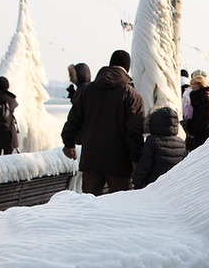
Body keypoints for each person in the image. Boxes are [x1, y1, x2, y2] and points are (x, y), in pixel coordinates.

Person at [60, 49, 145, 195]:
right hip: (119, 162)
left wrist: (68, 143)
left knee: (90, 204)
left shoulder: (88, 90)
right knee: (120, 206)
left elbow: (73, 119)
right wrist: (136, 158)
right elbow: (134, 131)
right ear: (127, 67)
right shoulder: (131, 94)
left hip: (91, 159)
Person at [132, 106, 186, 189]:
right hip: (174, 186)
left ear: (154, 123)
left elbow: (144, 166)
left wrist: (136, 183)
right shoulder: (181, 143)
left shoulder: (152, 141)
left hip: (154, 186)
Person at [184, 74, 209, 151]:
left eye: (194, 86)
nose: (192, 89)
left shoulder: (206, 101)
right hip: (200, 138)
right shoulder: (199, 99)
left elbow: (202, 123)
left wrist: (188, 126)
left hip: (205, 140)